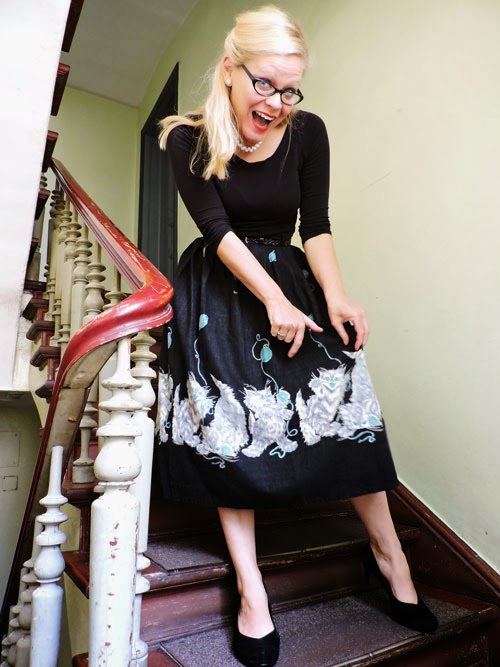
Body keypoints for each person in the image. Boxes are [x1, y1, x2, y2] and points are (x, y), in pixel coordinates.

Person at [157, 6, 437, 666]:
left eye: (290, 90)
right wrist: (273, 299)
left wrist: (335, 295)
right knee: (229, 423)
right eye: (264, 84)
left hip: (290, 274)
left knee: (350, 406)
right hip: (222, 284)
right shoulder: (185, 138)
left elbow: (316, 225)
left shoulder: (308, 132)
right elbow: (218, 232)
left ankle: (389, 555)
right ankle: (251, 589)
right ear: (230, 69)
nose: (277, 104)